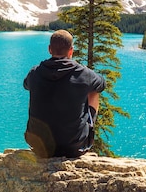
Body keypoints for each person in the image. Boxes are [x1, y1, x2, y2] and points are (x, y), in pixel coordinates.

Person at [24, 29, 105, 158]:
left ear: (50, 49)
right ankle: (87, 128)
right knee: (94, 92)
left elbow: (26, 85)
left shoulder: (35, 72)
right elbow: (101, 84)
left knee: (35, 89)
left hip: (39, 147)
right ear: (71, 51)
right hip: (73, 148)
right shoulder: (83, 73)